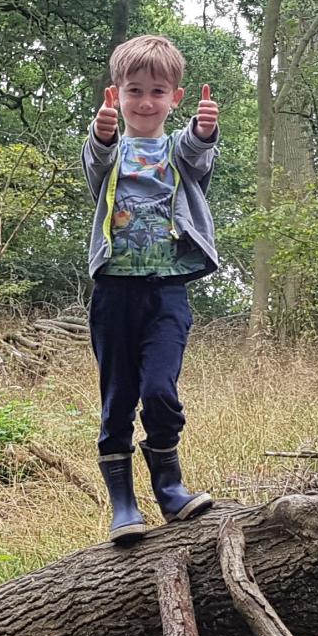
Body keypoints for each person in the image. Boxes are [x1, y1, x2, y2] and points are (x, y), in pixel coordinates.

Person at [81, 33, 222, 541]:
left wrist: (204, 132)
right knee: (118, 398)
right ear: (116, 94)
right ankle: (123, 504)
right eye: (134, 90)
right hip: (114, 293)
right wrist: (100, 136)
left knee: (160, 390)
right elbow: (95, 165)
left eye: (157, 92)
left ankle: (170, 487)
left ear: (174, 99)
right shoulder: (111, 151)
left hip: (167, 292)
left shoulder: (177, 153)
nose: (145, 101)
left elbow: (198, 153)